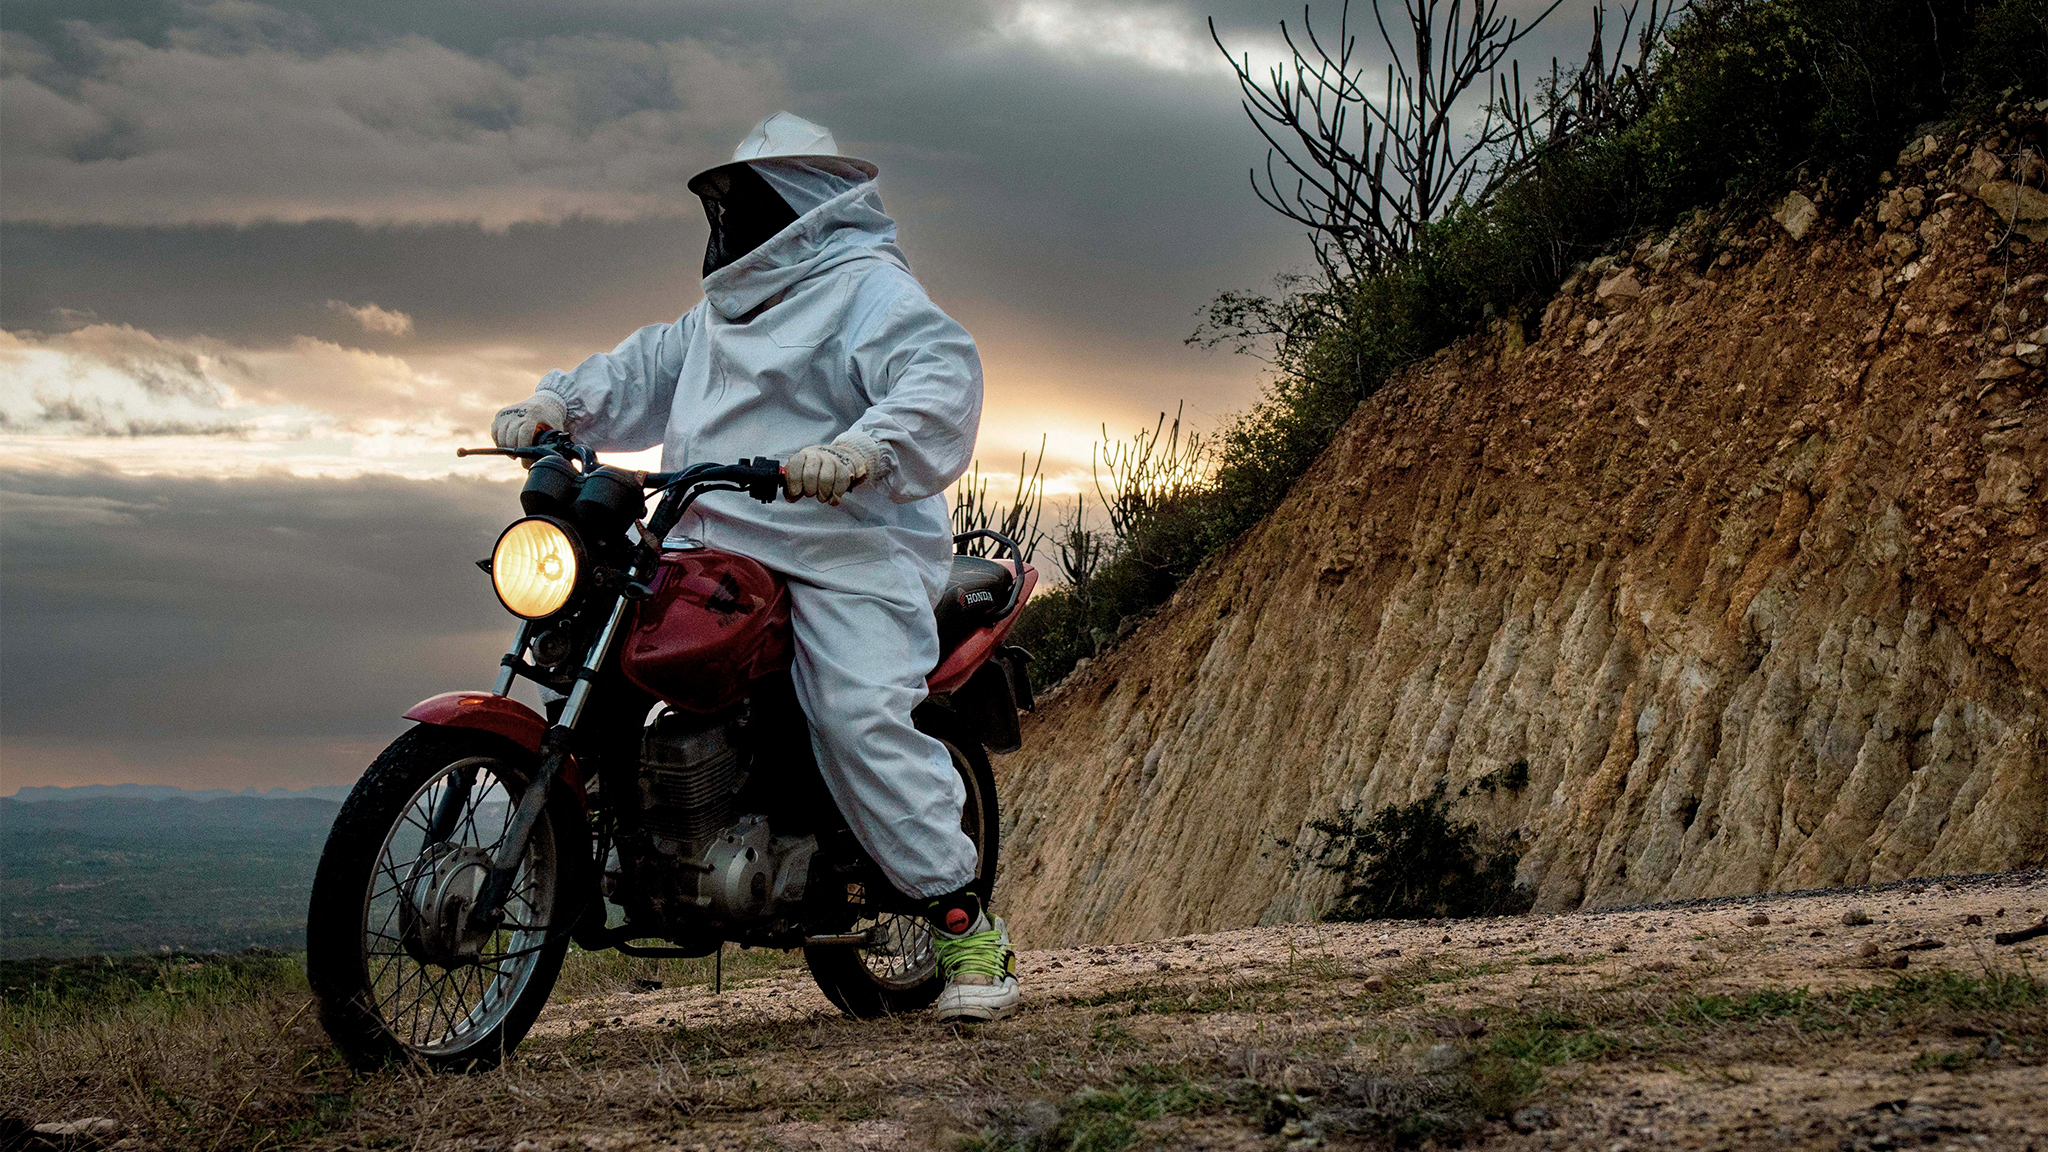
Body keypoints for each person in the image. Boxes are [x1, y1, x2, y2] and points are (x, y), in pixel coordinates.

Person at [490, 112, 1019, 1024]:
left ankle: (966, 927)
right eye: (730, 203)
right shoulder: (719, 316)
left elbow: (938, 377)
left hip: (845, 548)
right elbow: (640, 370)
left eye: (753, 200)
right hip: (710, 543)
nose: (735, 220)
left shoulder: (869, 291)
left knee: (856, 713)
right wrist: (556, 406)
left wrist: (863, 450)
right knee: (594, 643)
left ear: (806, 204)